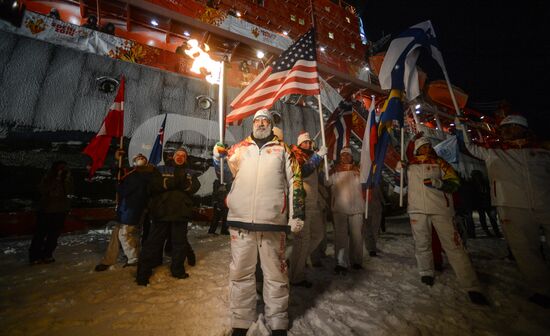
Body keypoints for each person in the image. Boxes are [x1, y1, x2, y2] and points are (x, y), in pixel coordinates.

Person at [213, 108, 304, 336]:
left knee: (275, 275)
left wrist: (297, 214)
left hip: (272, 222)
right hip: (240, 221)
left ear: (271, 124)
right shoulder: (240, 149)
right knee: (240, 274)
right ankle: (241, 321)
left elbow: (296, 181)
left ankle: (278, 321)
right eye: (258, 120)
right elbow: (224, 172)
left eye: (265, 120)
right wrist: (217, 157)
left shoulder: (283, 149)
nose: (261, 123)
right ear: (252, 124)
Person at [458, 115, 550, 308]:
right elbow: (469, 147)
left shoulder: (541, 150)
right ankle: (542, 289)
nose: (506, 131)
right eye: (504, 128)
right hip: (512, 205)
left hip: (544, 202)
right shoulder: (494, 152)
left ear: (522, 128)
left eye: (511, 127)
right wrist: (462, 126)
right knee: (525, 250)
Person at [404, 136, 488, 305]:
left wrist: (439, 183)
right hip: (417, 210)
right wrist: (399, 170)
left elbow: (455, 183)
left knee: (454, 246)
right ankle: (426, 272)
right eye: (422, 147)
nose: (425, 149)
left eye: (428, 146)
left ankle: (471, 285)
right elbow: (401, 184)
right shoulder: (410, 166)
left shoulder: (440, 163)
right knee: (422, 244)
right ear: (416, 150)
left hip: (441, 209)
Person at [136, 147, 200, 286]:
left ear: (186, 158)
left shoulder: (190, 172)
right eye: (178, 154)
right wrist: (167, 184)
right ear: (172, 156)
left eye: (183, 155)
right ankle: (143, 273)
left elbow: (194, 187)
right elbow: (152, 185)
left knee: (179, 243)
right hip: (162, 212)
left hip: (181, 213)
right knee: (153, 243)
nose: (180, 157)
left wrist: (184, 184)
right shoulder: (161, 169)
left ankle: (177, 270)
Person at [95, 153, 155, 272]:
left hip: (132, 209)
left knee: (125, 234)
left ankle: (134, 258)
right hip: (128, 209)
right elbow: (117, 173)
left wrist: (118, 185)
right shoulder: (137, 173)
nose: (140, 159)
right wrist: (117, 161)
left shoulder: (140, 175)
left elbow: (124, 190)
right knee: (118, 234)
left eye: (142, 158)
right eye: (138, 158)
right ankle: (109, 259)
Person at [288, 131, 327, 287]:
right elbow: (302, 171)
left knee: (318, 235)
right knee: (302, 240)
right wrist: (317, 157)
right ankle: (296, 276)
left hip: (314, 203)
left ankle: (295, 260)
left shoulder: (312, 157)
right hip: (301, 203)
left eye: (309, 142)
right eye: (305, 142)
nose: (308, 144)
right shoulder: (295, 155)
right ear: (299, 144)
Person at [326, 147, 365, 274]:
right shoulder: (335, 171)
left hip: (357, 207)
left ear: (351, 157)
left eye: (347, 155)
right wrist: (326, 167)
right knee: (340, 237)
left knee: (357, 237)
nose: (345, 157)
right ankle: (340, 262)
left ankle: (357, 261)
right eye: (342, 155)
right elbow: (326, 182)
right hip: (339, 208)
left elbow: (367, 182)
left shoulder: (359, 170)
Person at [29, 161, 73, 264]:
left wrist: (66, 180)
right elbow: (42, 189)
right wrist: (54, 180)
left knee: (54, 234)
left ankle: (47, 254)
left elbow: (69, 191)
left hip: (60, 210)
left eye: (64, 167)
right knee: (40, 233)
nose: (62, 170)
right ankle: (35, 256)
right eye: (60, 167)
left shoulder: (67, 178)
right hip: (46, 210)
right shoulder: (47, 176)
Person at [470, 170, 501, 237]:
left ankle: (497, 232)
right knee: (483, 218)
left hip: (487, 203)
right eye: (475, 176)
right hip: (480, 204)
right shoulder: (472, 185)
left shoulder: (485, 183)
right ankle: (488, 232)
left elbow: (489, 192)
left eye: (478, 175)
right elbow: (473, 196)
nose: (477, 177)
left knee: (492, 218)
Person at [364, 185, 384, 257]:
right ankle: (370, 248)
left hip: (376, 209)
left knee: (375, 230)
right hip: (366, 209)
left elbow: (381, 196)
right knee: (368, 230)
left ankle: (373, 246)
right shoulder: (363, 182)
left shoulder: (377, 182)